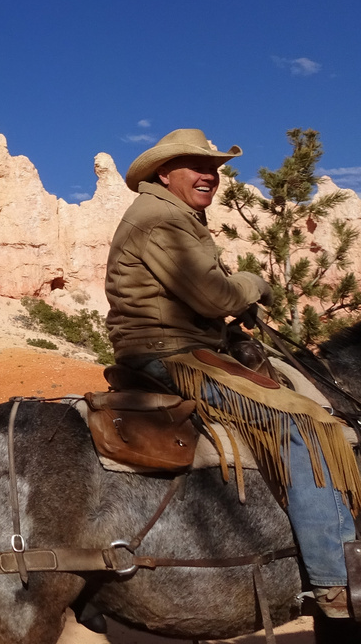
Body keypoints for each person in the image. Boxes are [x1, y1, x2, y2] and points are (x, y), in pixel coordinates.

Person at [106, 128, 361, 620]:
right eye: (197, 167)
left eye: (216, 169)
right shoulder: (160, 219)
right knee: (306, 425)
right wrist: (253, 285)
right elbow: (214, 295)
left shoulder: (175, 215)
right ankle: (336, 582)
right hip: (170, 354)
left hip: (186, 343)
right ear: (164, 172)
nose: (210, 176)